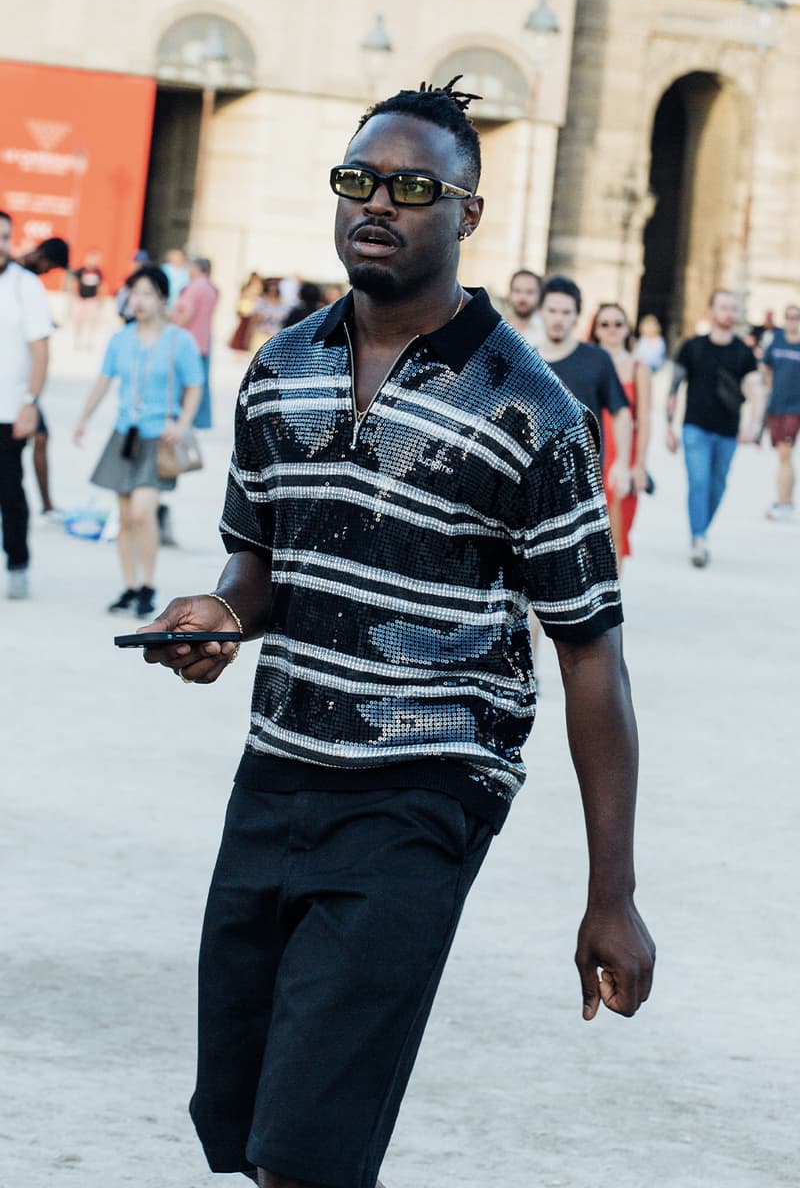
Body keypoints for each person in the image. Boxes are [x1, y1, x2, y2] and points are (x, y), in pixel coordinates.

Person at [138, 77, 655, 1188]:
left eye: (413, 186)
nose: (377, 203)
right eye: (357, 181)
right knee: (240, 1121)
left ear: (466, 213)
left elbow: (588, 654)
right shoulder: (281, 370)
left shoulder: (530, 411)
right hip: (277, 771)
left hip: (423, 789)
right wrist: (219, 616)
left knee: (306, 1151)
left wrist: (609, 891)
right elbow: (259, 564)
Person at [74, 265, 202, 617]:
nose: (139, 300)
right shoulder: (121, 339)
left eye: (147, 293)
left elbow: (194, 385)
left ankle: (148, 585)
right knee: (126, 516)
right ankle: (129, 587)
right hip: (124, 435)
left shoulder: (180, 341)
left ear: (163, 298)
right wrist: (83, 418)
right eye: (134, 293)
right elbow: (103, 381)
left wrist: (183, 422)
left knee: (144, 513)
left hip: (159, 438)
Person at [666, 288, 764, 567]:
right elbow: (674, 388)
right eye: (723, 307)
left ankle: (700, 530)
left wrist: (755, 425)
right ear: (710, 311)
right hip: (694, 427)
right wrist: (668, 426)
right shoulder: (692, 347)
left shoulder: (743, 352)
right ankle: (699, 540)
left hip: (728, 432)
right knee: (699, 482)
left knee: (717, 486)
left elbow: (756, 389)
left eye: (732, 309)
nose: (728, 314)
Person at [537, 276, 633, 490]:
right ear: (541, 312)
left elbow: (621, 413)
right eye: (552, 311)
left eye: (566, 312)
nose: (558, 319)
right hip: (535, 478)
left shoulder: (597, 359)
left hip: (583, 477)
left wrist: (623, 464)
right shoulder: (526, 361)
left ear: (576, 316)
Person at [0, 211, 52, 599]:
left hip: (9, 410)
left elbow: (40, 349)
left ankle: (18, 562)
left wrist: (30, 403)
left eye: (5, 237)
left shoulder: (25, 286)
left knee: (9, 491)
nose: (2, 246)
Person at [590, 302, 652, 568]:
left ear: (628, 329)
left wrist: (638, 465)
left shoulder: (639, 368)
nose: (612, 329)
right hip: (590, 454)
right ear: (596, 330)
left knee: (616, 535)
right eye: (605, 324)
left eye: (618, 323)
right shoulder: (585, 363)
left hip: (621, 459)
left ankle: (611, 601)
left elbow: (645, 419)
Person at [17, 236, 70, 521]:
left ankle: (47, 504)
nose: (49, 271)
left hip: (24, 378)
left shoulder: (25, 276)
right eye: (51, 266)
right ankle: (46, 504)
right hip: (16, 380)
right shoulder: (19, 277)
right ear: (44, 257)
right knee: (37, 438)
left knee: (38, 438)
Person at [170, 256, 219, 430]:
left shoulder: (194, 287)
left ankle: (185, 417)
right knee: (201, 381)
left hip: (189, 340)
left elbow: (186, 313)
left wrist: (172, 328)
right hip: (204, 340)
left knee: (186, 382)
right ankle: (202, 420)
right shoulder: (212, 288)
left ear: (197, 268)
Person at [761, 302, 800, 521]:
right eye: (790, 317)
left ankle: (783, 501)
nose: (793, 321)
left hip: (795, 406)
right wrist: (769, 384)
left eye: (797, 317)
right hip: (776, 404)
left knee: (786, 452)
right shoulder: (776, 341)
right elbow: (766, 364)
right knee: (783, 455)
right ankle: (787, 500)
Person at [71, 250, 104, 350]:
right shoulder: (81, 271)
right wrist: (75, 296)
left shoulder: (98, 272)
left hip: (92, 300)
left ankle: (89, 341)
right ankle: (78, 340)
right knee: (78, 321)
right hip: (81, 299)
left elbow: (100, 286)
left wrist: (100, 299)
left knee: (91, 321)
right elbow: (75, 284)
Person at [506, 267, 545, 347]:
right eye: (517, 291)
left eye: (530, 292)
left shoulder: (547, 332)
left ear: (540, 295)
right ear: (509, 294)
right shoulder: (498, 328)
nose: (523, 298)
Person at [249, 277, 288, 351]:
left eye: (275, 286)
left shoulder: (282, 302)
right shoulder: (261, 301)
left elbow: (284, 317)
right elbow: (254, 317)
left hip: (274, 333)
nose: (273, 289)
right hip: (261, 332)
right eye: (271, 286)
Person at [229, 272, 264, 351]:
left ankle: (245, 344)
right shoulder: (247, 286)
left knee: (248, 326)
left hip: (251, 306)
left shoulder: (258, 286)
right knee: (243, 325)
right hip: (246, 305)